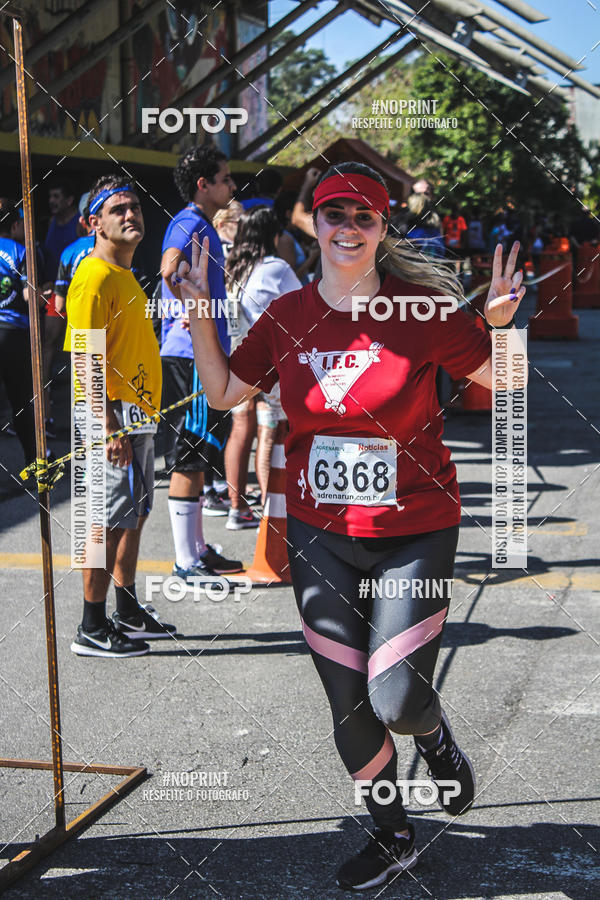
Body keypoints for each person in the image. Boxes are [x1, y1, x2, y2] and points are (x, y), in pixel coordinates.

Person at [181, 160, 527, 890]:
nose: (348, 227)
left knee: (396, 699)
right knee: (348, 703)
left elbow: (511, 381)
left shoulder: (424, 311)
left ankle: (433, 736)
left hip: (416, 529)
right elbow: (222, 392)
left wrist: (501, 327)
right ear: (314, 222)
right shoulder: (287, 316)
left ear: (381, 227)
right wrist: (200, 315)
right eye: (334, 213)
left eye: (363, 216)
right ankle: (392, 832)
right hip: (319, 534)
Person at [64, 174, 175, 658]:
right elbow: (85, 358)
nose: (131, 215)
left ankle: (126, 610)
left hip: (137, 414)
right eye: (118, 210)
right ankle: (91, 626)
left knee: (133, 516)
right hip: (109, 418)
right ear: (95, 223)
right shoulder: (93, 276)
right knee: (102, 521)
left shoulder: (124, 274)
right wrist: (108, 426)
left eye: (135, 207)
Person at [159, 145, 242, 577]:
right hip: (191, 355)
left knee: (201, 450)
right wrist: (191, 310)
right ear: (203, 184)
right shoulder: (189, 222)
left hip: (201, 355)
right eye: (225, 179)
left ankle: (196, 548)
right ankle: (186, 562)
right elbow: (168, 268)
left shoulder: (200, 224)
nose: (232, 185)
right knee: (189, 453)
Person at [224, 205, 301, 524]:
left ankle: (237, 508)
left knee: (240, 431)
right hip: (272, 368)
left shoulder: (233, 268)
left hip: (238, 363)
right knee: (271, 434)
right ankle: (273, 516)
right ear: (274, 236)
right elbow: (303, 307)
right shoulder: (277, 268)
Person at [0, 202, 38, 465]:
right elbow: (28, 296)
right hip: (14, 334)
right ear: (14, 225)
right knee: (22, 401)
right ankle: (34, 462)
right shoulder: (20, 251)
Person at [43, 178, 80, 438]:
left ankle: (84, 408)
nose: (52, 201)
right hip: (55, 292)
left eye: (57, 196)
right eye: (51, 197)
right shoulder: (52, 224)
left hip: (77, 292)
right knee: (47, 341)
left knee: (79, 346)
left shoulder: (79, 223)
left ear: (69, 200)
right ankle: (44, 406)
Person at [53, 192, 95, 312]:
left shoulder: (69, 252)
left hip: (81, 320)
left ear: (82, 221)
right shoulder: (119, 247)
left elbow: (59, 305)